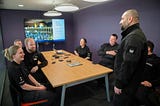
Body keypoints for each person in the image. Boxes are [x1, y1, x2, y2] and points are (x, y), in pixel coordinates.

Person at [113, 9, 148, 106]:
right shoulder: (133, 35)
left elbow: (129, 63)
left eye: (122, 19)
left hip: (127, 86)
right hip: (129, 84)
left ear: (130, 19)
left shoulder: (134, 37)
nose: (120, 22)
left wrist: (119, 83)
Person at [136, 40, 160, 106]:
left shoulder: (157, 60)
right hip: (136, 81)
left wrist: (151, 83)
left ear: (148, 48)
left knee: (139, 95)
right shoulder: (140, 58)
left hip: (146, 84)